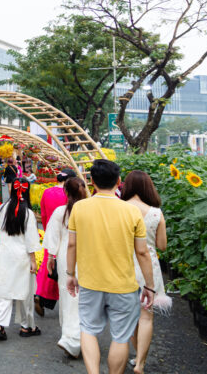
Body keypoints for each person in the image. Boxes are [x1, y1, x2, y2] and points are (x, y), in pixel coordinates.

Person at [66, 159, 155, 374]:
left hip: (90, 282)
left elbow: (72, 244)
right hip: (123, 285)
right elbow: (142, 252)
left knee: (88, 330)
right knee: (121, 337)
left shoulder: (79, 208)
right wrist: (150, 286)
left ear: (92, 181)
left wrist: (71, 274)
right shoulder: (131, 212)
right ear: (118, 181)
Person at [121, 170, 171, 374]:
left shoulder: (119, 209)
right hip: (147, 266)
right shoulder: (156, 213)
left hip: (123, 265)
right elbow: (162, 246)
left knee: (127, 316)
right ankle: (140, 363)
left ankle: (134, 354)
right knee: (146, 316)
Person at [0, 177, 42, 340]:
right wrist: (33, 261)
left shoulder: (2, 209)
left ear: (12, 190)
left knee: (4, 290)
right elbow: (31, 240)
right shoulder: (28, 213)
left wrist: (1, 236)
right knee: (26, 292)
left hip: (4, 255)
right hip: (22, 257)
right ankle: (27, 326)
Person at [45, 176, 88, 359]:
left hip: (65, 257)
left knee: (68, 295)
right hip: (88, 257)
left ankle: (70, 337)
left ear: (66, 192)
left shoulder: (60, 212)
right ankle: (79, 338)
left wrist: (51, 257)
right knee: (83, 298)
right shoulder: (89, 212)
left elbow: (52, 239)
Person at [35, 168, 77, 315]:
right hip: (67, 235)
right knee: (61, 270)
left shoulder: (47, 192)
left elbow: (44, 215)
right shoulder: (69, 194)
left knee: (48, 266)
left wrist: (48, 232)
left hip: (51, 233)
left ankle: (40, 294)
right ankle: (49, 297)